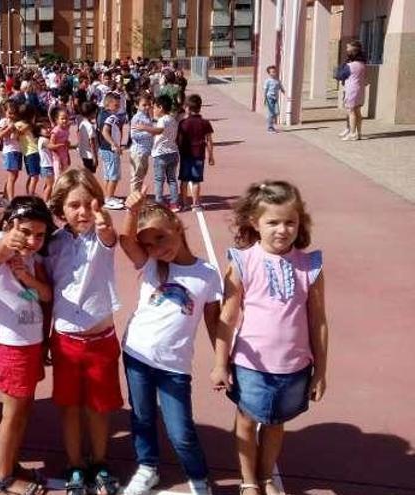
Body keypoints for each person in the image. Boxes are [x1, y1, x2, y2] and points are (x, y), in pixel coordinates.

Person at [211, 181, 328, 495]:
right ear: (255, 223)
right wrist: (220, 363)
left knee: (276, 424)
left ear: (300, 223)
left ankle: (265, 477)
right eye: (273, 222)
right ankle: (249, 481)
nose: (282, 229)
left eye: (290, 222)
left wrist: (320, 371)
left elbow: (318, 321)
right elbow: (227, 317)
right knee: (247, 422)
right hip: (251, 365)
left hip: (294, 365)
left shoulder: (310, 266)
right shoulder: (242, 262)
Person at [118, 192, 221, 495]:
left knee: (181, 432)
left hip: (174, 366)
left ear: (177, 226)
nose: (156, 249)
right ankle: (147, 467)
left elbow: (214, 321)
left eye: (160, 238)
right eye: (148, 243)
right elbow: (125, 239)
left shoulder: (207, 274)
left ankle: (199, 478)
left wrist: (221, 363)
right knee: (142, 417)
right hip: (137, 355)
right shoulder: (150, 265)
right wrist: (132, 210)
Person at [45, 169, 123, 495]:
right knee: (70, 407)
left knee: (99, 407)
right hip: (65, 340)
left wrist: (106, 225)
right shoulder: (52, 245)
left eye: (89, 205)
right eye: (73, 205)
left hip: (101, 339)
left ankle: (100, 461)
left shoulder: (102, 238)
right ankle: (76, 464)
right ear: (60, 208)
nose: (82, 212)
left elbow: (109, 236)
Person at [0, 197, 54, 495]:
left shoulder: (29, 261)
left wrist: (26, 278)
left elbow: (43, 296)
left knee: (23, 410)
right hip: (12, 347)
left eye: (39, 235)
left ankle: (10, 463)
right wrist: (11, 236)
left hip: (30, 343)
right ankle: (4, 477)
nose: (32, 240)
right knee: (13, 413)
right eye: (25, 232)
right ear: (9, 226)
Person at [134, 95, 180, 212]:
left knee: (159, 179)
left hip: (161, 154)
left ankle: (159, 202)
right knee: (172, 179)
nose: (153, 110)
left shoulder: (163, 120)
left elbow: (159, 130)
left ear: (160, 107)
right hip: (173, 153)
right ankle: (174, 203)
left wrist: (144, 127)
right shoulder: (172, 119)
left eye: (154, 108)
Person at [177, 94, 215, 210]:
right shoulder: (205, 123)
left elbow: (178, 140)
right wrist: (211, 155)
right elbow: (209, 141)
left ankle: (184, 203)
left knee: (184, 180)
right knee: (196, 180)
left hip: (185, 155)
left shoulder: (183, 123)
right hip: (199, 155)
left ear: (187, 108)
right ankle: (196, 204)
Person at [97, 93, 126, 210]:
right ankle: (109, 199)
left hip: (103, 149)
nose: (118, 107)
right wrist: (114, 144)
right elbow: (105, 131)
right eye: (116, 105)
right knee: (113, 175)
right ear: (108, 104)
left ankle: (108, 196)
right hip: (110, 149)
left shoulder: (101, 114)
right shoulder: (111, 117)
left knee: (108, 175)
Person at [0, 103, 22, 204]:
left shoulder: (17, 122)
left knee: (15, 176)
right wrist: (9, 128)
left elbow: (19, 136)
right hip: (9, 150)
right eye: (10, 113)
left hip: (17, 150)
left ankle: (5, 195)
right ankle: (11, 200)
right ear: (5, 112)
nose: (12, 115)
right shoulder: (4, 121)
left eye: (14, 113)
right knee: (12, 176)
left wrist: (18, 131)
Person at [341, 40, 367, 141]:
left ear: (352, 52)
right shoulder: (362, 64)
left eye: (348, 49)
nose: (346, 50)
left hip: (351, 89)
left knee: (351, 111)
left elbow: (340, 75)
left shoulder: (349, 66)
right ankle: (359, 133)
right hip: (360, 89)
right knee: (358, 111)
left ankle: (352, 133)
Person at [128, 94, 154, 194]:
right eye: (144, 105)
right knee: (136, 177)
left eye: (148, 105)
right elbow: (134, 135)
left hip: (145, 152)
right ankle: (133, 199)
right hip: (138, 151)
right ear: (136, 105)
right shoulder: (136, 118)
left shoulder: (147, 116)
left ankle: (137, 195)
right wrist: (149, 132)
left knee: (141, 176)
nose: (147, 107)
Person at [77, 101, 99, 174]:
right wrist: (95, 158)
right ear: (91, 113)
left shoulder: (82, 123)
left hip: (83, 152)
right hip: (90, 155)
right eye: (95, 112)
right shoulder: (90, 127)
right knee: (90, 174)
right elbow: (92, 144)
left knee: (87, 172)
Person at [263, 66, 285, 133]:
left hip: (275, 98)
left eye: (274, 72)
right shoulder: (268, 81)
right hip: (269, 98)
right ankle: (270, 128)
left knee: (276, 112)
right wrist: (264, 98)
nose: (273, 73)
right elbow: (265, 90)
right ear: (269, 73)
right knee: (271, 113)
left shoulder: (277, 81)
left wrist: (284, 93)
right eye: (272, 72)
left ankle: (270, 123)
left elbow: (281, 87)